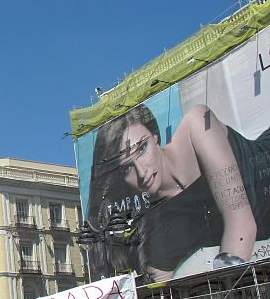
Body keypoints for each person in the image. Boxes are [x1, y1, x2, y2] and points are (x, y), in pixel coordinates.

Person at [87, 103, 270, 281]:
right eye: (127, 169)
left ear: (155, 136)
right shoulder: (154, 222)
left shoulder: (196, 124)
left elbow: (241, 225)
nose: (142, 173)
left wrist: (227, 296)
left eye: (142, 149)